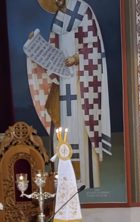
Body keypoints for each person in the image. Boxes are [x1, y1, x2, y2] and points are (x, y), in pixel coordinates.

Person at [26, 0, 111, 188]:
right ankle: (64, 179)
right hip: (63, 83)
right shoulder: (58, 20)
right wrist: (36, 46)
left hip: (82, 82)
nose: (56, 1)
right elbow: (52, 53)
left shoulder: (82, 11)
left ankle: (86, 178)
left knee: (81, 127)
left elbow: (93, 47)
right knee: (63, 128)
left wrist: (76, 58)